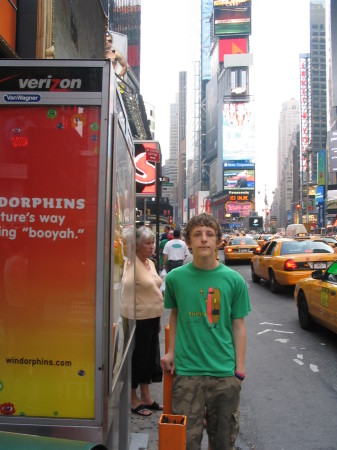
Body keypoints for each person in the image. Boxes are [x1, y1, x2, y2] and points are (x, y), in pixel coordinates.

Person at [160, 213, 251, 450]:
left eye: (209, 235)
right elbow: (176, 315)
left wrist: (239, 371)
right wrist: (170, 352)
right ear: (188, 242)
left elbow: (238, 325)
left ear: (218, 241)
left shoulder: (234, 280)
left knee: (222, 441)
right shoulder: (175, 278)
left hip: (224, 374)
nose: (204, 239)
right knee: (186, 443)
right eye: (197, 235)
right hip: (187, 373)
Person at [130, 226, 164, 416]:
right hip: (139, 318)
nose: (152, 247)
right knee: (139, 359)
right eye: (147, 243)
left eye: (153, 243)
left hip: (153, 317)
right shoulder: (130, 265)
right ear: (137, 245)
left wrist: (158, 318)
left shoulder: (150, 263)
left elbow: (154, 290)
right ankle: (132, 398)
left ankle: (146, 396)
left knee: (150, 359)